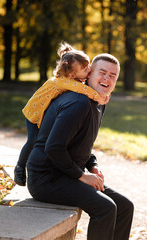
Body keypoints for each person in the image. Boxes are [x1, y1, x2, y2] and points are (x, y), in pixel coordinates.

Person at [26, 53, 134, 240]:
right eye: (102, 72)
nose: (107, 78)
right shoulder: (78, 103)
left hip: (66, 174)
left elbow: (81, 142)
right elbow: (54, 147)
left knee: (125, 206)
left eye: (113, 75)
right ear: (89, 73)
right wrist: (82, 176)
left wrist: (93, 165)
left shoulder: (97, 101)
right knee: (106, 208)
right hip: (45, 179)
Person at [14, 42, 109, 186]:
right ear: (72, 74)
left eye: (89, 65)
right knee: (33, 140)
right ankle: (20, 167)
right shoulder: (64, 82)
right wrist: (99, 97)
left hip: (42, 112)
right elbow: (84, 90)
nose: (89, 69)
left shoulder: (71, 79)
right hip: (33, 114)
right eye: (85, 68)